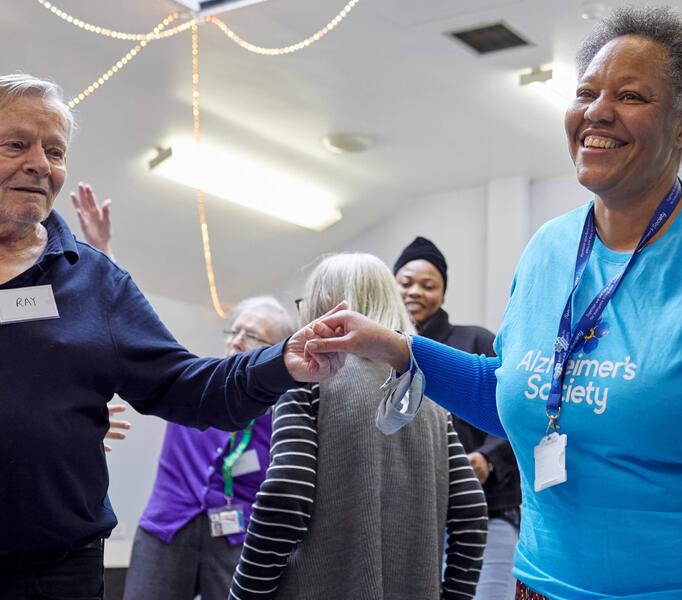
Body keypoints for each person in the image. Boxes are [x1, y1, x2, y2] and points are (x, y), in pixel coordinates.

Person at [302, 8, 682, 599]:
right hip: (549, 586)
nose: (597, 111)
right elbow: (516, 393)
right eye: (585, 91)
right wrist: (398, 348)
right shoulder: (546, 251)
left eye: (632, 95)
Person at [0, 73, 340, 599]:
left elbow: (185, 384)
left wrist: (278, 361)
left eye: (56, 151)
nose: (41, 164)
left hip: (54, 572)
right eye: (16, 144)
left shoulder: (95, 282)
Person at [70, 182, 295, 599]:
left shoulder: (279, 412)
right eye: (235, 330)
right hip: (167, 526)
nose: (237, 341)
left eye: (254, 337)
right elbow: (134, 327)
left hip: (234, 536)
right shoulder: (196, 384)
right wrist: (102, 249)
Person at [229, 253, 487, 600]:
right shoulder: (430, 396)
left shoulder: (307, 381)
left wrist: (244, 594)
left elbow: (285, 496)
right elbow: (471, 510)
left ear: (323, 305)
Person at [394, 236, 521, 600]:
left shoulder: (475, 340)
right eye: (406, 283)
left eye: (428, 285)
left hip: (488, 510)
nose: (415, 291)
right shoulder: (379, 353)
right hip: (413, 518)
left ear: (443, 295)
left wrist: (487, 459)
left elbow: (517, 409)